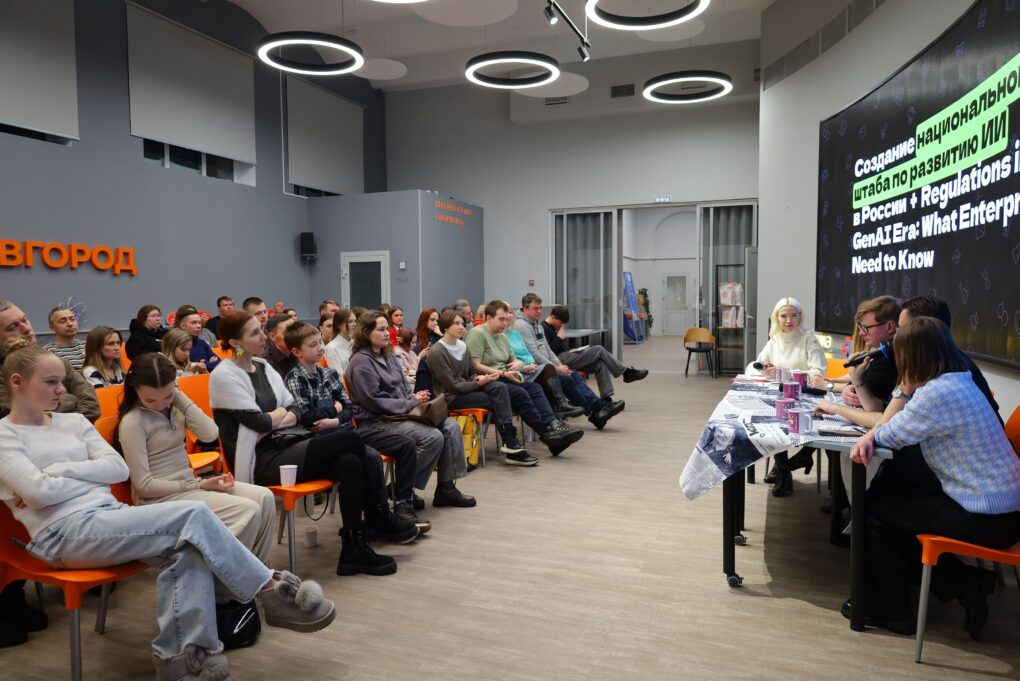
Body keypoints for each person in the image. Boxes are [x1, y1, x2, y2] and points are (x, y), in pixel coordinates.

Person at [0, 337, 337, 677]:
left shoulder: (74, 422)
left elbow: (116, 469)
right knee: (195, 514)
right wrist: (83, 475)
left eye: (62, 380)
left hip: (111, 517)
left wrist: (57, 470)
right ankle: (270, 589)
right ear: (18, 382)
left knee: (190, 552)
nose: (62, 390)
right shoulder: (5, 435)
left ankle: (182, 661)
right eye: (51, 382)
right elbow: (39, 494)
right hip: (61, 533)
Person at [845, 317, 1020, 638]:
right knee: (893, 507)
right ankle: (965, 584)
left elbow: (890, 433)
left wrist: (901, 392)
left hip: (988, 516)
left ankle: (892, 611)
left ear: (910, 356)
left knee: (878, 514)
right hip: (1000, 507)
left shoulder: (938, 394)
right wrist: (902, 396)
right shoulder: (958, 380)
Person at [209, 310, 409, 576]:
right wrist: (280, 415)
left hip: (286, 442)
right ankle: (377, 516)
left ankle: (353, 547)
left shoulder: (263, 367)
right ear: (235, 343)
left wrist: (277, 417)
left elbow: (293, 409)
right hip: (259, 458)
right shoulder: (224, 376)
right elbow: (262, 422)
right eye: (255, 333)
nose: (264, 337)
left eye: (261, 329)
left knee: (349, 462)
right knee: (349, 439)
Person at [0, 301, 99, 647]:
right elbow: (10, 415)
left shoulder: (48, 359)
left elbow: (91, 404)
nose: (26, 328)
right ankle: (7, 602)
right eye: (12, 327)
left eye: (24, 320)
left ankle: (15, 599)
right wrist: (62, 407)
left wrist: (51, 409)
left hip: (50, 460)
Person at [116, 353, 275, 566]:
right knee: (247, 510)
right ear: (134, 389)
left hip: (188, 487)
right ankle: (231, 579)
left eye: (168, 396)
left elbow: (210, 434)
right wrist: (198, 484)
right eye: (150, 400)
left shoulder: (175, 407)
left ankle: (254, 574)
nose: (161, 404)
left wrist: (181, 399)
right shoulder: (133, 422)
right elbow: (144, 487)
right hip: (158, 499)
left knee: (265, 497)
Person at [282, 322, 428, 533]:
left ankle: (403, 503)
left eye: (320, 342)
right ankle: (378, 515)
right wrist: (336, 408)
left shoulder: (329, 374)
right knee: (370, 457)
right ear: (297, 352)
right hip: (321, 439)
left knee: (405, 444)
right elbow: (307, 417)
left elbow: (349, 408)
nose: (321, 348)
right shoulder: (294, 377)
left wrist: (335, 417)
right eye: (313, 345)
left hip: (345, 430)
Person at [346, 311, 477, 508]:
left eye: (386, 329)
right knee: (432, 437)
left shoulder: (388, 355)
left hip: (400, 414)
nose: (386, 333)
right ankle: (402, 488)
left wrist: (414, 397)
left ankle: (446, 488)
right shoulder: (361, 362)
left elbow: (404, 386)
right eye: (380, 330)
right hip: (377, 421)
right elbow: (373, 401)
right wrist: (410, 402)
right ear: (365, 333)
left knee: (451, 427)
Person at [466, 301, 583, 456]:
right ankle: (547, 435)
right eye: (501, 319)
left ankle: (553, 424)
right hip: (488, 380)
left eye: (507, 319)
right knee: (521, 393)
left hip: (506, 377)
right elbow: (475, 365)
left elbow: (514, 360)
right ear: (488, 318)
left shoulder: (502, 337)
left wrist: (519, 364)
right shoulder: (477, 333)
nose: (505, 323)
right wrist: (502, 373)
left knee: (535, 387)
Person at [428, 309, 535, 466]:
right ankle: (510, 442)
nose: (461, 327)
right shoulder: (437, 352)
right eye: (456, 323)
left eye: (462, 324)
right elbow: (452, 386)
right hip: (450, 397)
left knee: (499, 387)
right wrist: (478, 383)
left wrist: (479, 378)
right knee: (496, 399)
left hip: (467, 388)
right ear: (445, 326)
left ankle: (510, 442)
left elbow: (471, 373)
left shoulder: (462, 346)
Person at [745, 297, 827, 495]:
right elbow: (753, 367)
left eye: (793, 315)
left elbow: (818, 373)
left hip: (805, 396)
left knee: (787, 419)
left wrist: (784, 373)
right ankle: (783, 470)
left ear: (800, 317)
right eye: (783, 316)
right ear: (777, 318)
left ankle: (783, 468)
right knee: (772, 421)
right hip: (780, 395)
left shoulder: (809, 338)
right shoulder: (775, 339)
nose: (789, 320)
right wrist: (764, 370)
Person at [514, 293, 624, 429]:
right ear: (525, 308)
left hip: (546, 366)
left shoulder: (537, 325)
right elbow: (534, 354)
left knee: (572, 374)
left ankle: (597, 410)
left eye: (540, 308)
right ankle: (595, 411)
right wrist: (556, 368)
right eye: (535, 308)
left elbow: (548, 351)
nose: (539, 311)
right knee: (566, 379)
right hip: (535, 369)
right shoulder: (521, 325)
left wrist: (560, 366)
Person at [898, 296, 1000, 423]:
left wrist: (903, 392)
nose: (896, 336)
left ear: (922, 331)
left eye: (901, 329)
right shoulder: (947, 358)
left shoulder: (948, 373)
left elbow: (891, 427)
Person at [542, 304, 648, 396]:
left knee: (600, 364)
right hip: (557, 360)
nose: (562, 326)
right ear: (554, 317)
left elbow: (559, 347)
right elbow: (548, 351)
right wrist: (559, 338)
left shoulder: (554, 327)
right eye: (561, 322)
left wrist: (571, 350)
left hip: (566, 355)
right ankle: (626, 372)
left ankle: (606, 397)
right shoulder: (543, 328)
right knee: (599, 349)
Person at [503, 324, 585, 419]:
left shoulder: (516, 333)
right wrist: (524, 367)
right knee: (550, 372)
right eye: (503, 318)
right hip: (519, 373)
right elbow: (510, 363)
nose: (507, 319)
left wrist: (532, 363)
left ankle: (558, 413)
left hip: (531, 368)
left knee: (567, 376)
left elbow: (528, 353)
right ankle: (560, 407)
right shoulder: (513, 331)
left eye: (509, 316)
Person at [174, 305, 220, 372]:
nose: (199, 326)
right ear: (183, 325)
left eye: (199, 323)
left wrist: (205, 365)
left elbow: (219, 363)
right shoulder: (175, 344)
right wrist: (209, 363)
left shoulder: (201, 342)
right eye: (194, 323)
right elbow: (182, 368)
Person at [265, 313, 297, 377]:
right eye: (287, 332)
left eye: (296, 330)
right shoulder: (265, 363)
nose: (295, 335)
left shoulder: (303, 353)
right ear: (273, 336)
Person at [325, 307, 356, 374]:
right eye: (350, 321)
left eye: (355, 321)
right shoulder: (331, 348)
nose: (354, 324)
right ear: (339, 325)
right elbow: (338, 375)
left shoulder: (355, 343)